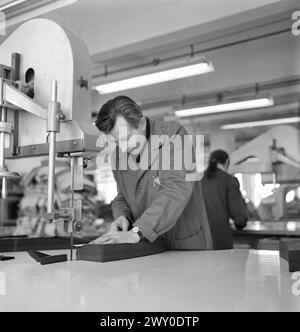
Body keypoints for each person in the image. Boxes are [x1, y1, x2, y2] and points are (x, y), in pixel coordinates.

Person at [91, 96, 213, 250]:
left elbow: (176, 189)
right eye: (116, 142)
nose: (122, 148)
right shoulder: (118, 153)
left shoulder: (173, 135)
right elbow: (122, 195)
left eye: (126, 139)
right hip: (146, 248)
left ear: (141, 123)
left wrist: (137, 231)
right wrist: (123, 216)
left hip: (183, 246)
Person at [201, 150, 248, 250]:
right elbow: (238, 215)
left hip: (197, 238)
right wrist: (241, 223)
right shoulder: (229, 180)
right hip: (219, 238)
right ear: (227, 162)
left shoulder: (197, 179)